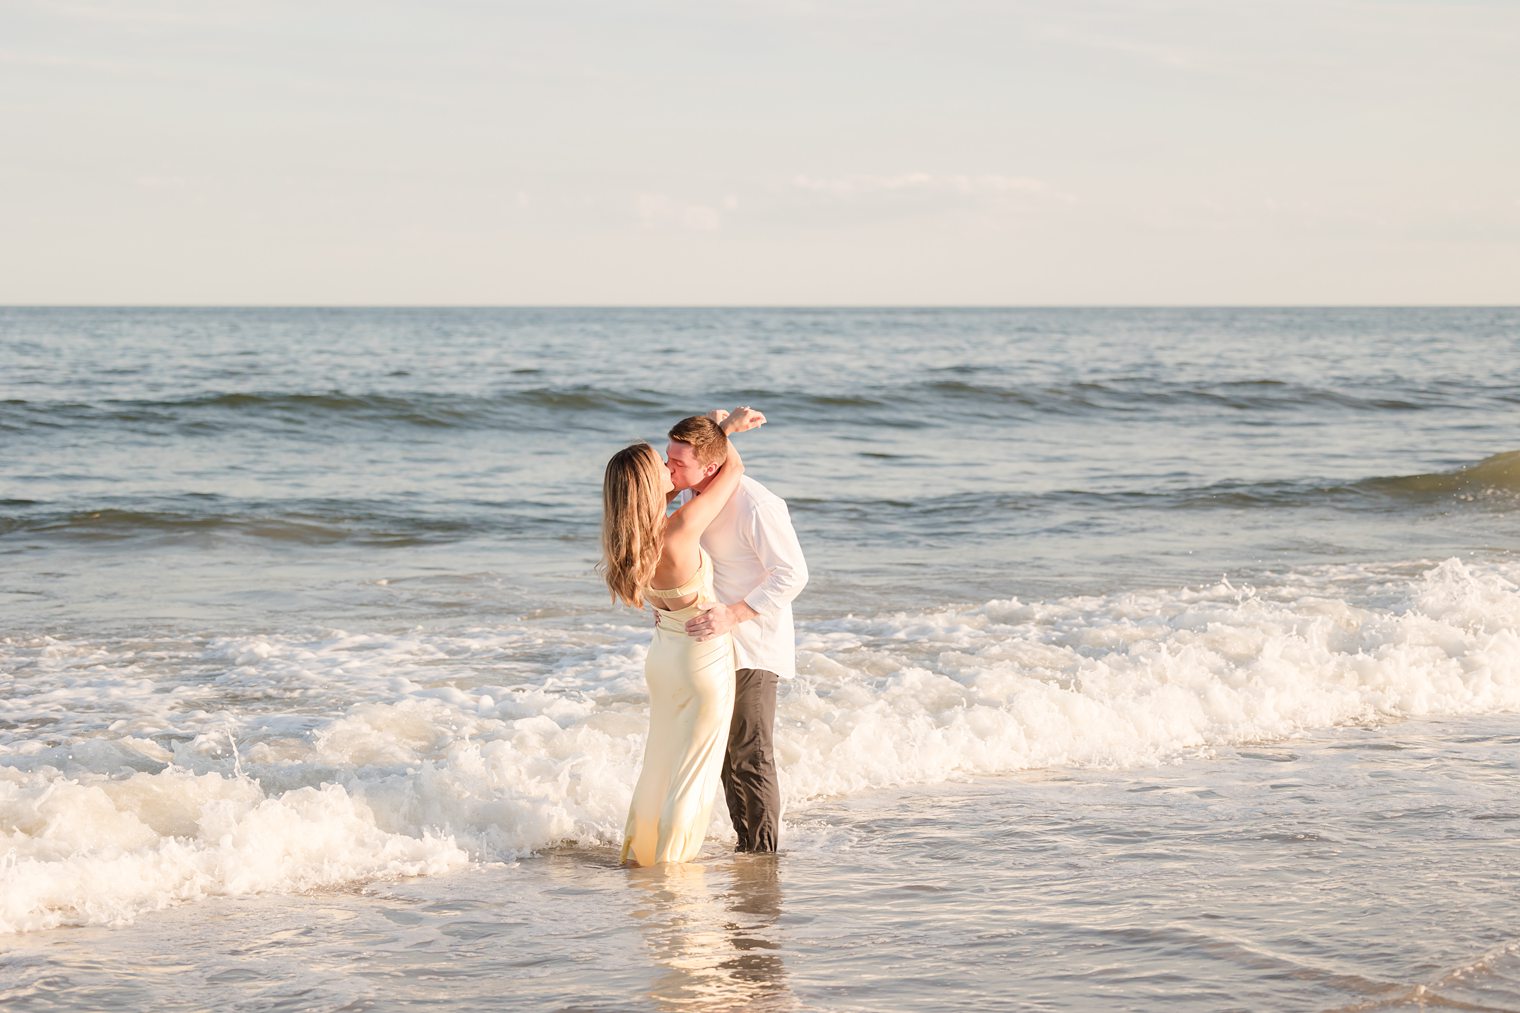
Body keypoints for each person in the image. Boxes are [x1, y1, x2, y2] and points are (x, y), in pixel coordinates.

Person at [600, 407, 767, 866]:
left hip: (662, 662)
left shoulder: (627, 542)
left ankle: (640, 855)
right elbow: (732, 468)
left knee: (658, 767)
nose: (671, 470)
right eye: (663, 467)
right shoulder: (678, 531)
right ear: (650, 487)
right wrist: (724, 432)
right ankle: (670, 867)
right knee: (691, 775)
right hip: (700, 664)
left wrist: (711, 436)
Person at [666, 412, 808, 854]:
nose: (668, 469)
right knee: (724, 756)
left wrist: (735, 614)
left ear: (710, 467)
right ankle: (746, 846)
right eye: (668, 459)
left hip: (753, 643)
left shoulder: (757, 505)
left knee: (750, 752)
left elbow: (793, 574)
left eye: (676, 463)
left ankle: (763, 857)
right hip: (712, 644)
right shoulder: (701, 496)